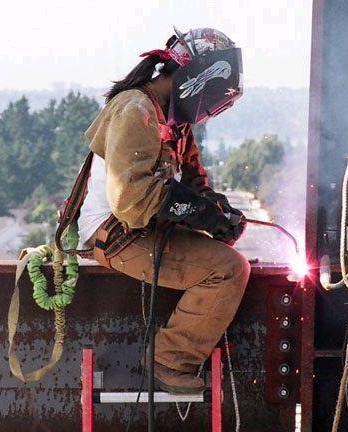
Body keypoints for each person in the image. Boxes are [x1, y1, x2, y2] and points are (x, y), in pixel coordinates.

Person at [77, 28, 249, 394]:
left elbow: (191, 181)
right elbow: (131, 199)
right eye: (212, 98)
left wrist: (218, 211)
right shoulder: (135, 111)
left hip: (142, 225)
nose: (208, 112)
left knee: (225, 252)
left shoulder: (174, 121)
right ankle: (167, 361)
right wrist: (199, 213)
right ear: (192, 78)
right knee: (228, 270)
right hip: (116, 233)